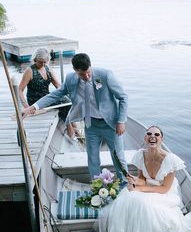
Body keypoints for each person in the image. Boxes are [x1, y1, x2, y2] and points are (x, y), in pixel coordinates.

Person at [95, 125, 191, 232]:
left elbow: (164, 189)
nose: (153, 136)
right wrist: (134, 180)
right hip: (148, 187)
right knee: (127, 198)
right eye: (149, 134)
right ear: (145, 138)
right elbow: (143, 179)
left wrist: (140, 189)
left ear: (161, 139)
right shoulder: (141, 155)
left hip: (165, 194)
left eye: (157, 134)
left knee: (144, 205)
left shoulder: (170, 160)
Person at [22, 53, 128, 182]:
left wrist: (121, 121)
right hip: (91, 125)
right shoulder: (71, 79)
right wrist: (32, 107)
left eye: (88, 72)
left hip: (111, 124)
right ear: (75, 71)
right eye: (82, 74)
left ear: (90, 66)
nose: (87, 76)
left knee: (118, 156)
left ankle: (125, 183)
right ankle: (97, 185)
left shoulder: (105, 75)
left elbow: (123, 98)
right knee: (92, 158)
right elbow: (55, 95)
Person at [18, 48, 77, 139]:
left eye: (45, 62)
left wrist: (68, 94)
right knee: (64, 104)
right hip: (35, 100)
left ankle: (74, 127)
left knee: (68, 100)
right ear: (35, 60)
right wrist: (27, 107)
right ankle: (71, 132)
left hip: (47, 97)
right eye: (40, 62)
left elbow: (58, 85)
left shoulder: (48, 68)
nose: (43, 64)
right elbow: (20, 90)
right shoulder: (29, 71)